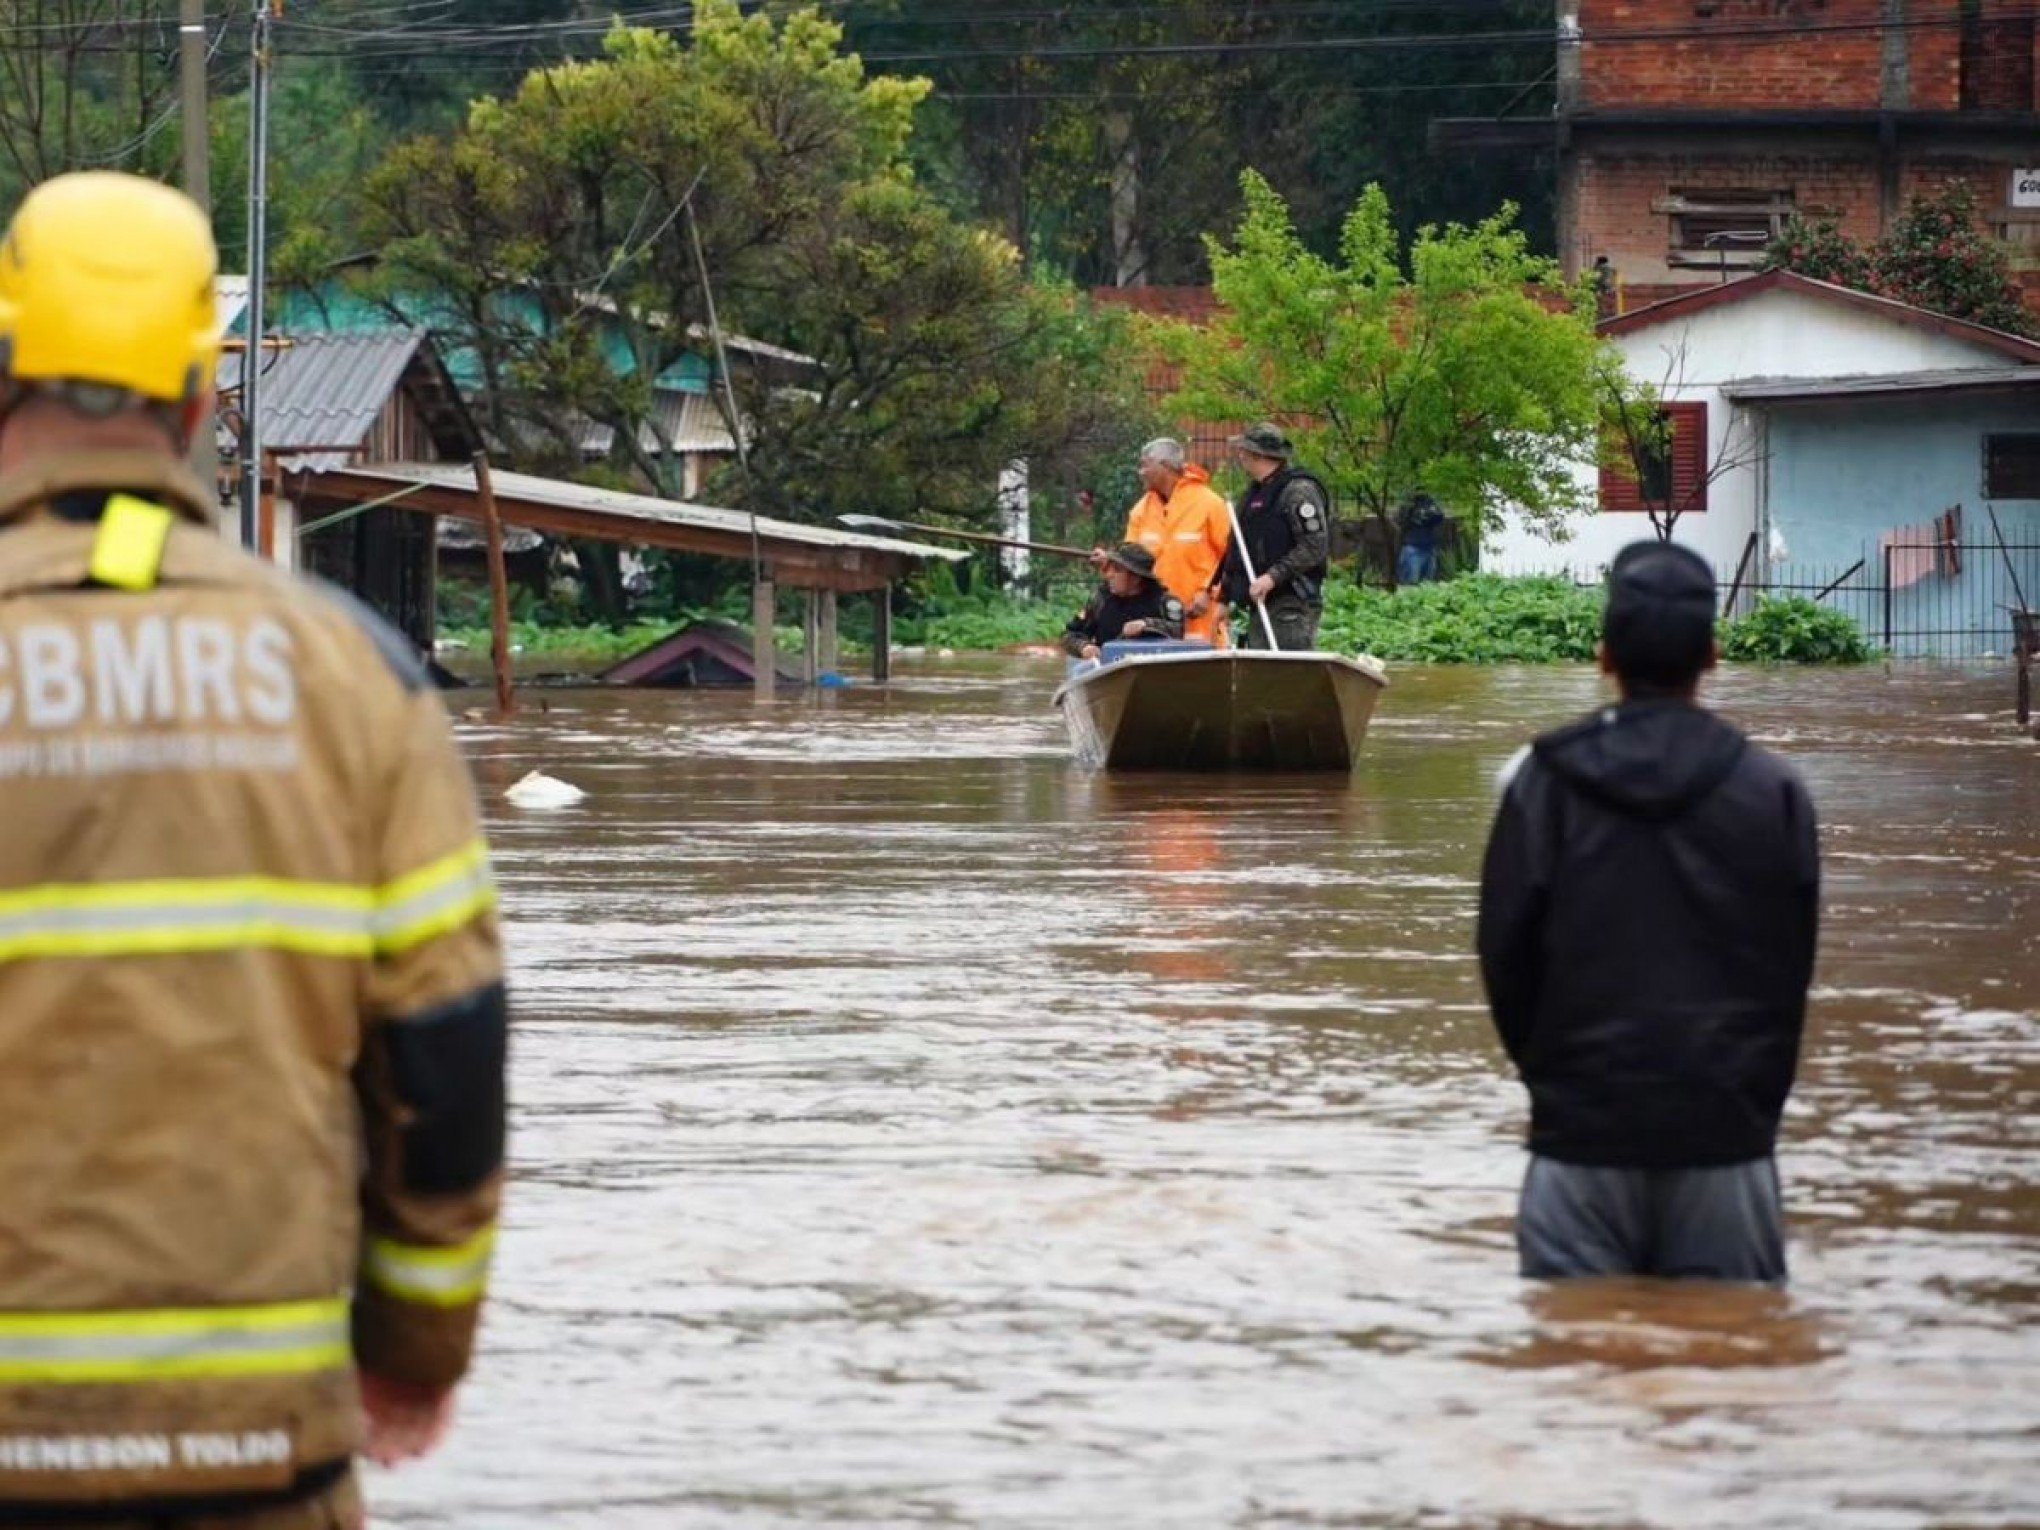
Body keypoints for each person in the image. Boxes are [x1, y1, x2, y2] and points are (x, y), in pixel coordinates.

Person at [0, 173, 505, 1526]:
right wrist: (413, 1352)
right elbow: (448, 1058)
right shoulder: (353, 677)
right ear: (197, 402)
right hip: (254, 1454)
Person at [1477, 541, 1820, 1284]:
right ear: (1713, 653)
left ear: (1603, 655)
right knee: (1727, 1368)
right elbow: (1787, 972)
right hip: (1724, 1140)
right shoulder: (1776, 791)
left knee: (1572, 1364)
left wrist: (1556, 1086)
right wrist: (1746, 1105)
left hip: (1579, 1141)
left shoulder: (1539, 782)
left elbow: (1505, 960)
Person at [1213, 423, 1330, 650]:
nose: (1240, 456)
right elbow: (1238, 548)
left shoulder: (1298, 491)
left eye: (1244, 451)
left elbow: (1314, 545)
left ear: (1258, 455)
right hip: (1261, 604)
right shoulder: (1253, 495)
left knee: (1287, 673)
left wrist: (1272, 577)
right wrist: (1226, 598)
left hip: (1291, 603)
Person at [1108, 438, 1232, 647]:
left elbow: (1231, 558)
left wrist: (1211, 593)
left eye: (1145, 465)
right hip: (1151, 621)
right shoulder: (1141, 510)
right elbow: (1128, 562)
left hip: (1199, 619)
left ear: (1164, 466)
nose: (1141, 471)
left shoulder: (1210, 504)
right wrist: (1108, 562)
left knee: (1201, 675)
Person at [1063, 542, 1184, 661]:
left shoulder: (1164, 602)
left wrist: (1147, 625)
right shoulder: (1101, 600)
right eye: (1110, 568)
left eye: (1117, 570)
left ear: (1136, 577)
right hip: (1110, 670)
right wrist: (1084, 647)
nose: (1109, 575)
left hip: (1154, 668)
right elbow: (1070, 634)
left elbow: (1177, 631)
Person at [1394, 491, 1447, 587]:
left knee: (1428, 586)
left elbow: (1439, 517)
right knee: (1410, 586)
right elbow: (1400, 521)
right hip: (1412, 548)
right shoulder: (1408, 504)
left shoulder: (1430, 503)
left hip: (1429, 548)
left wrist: (1428, 514)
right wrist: (1414, 514)